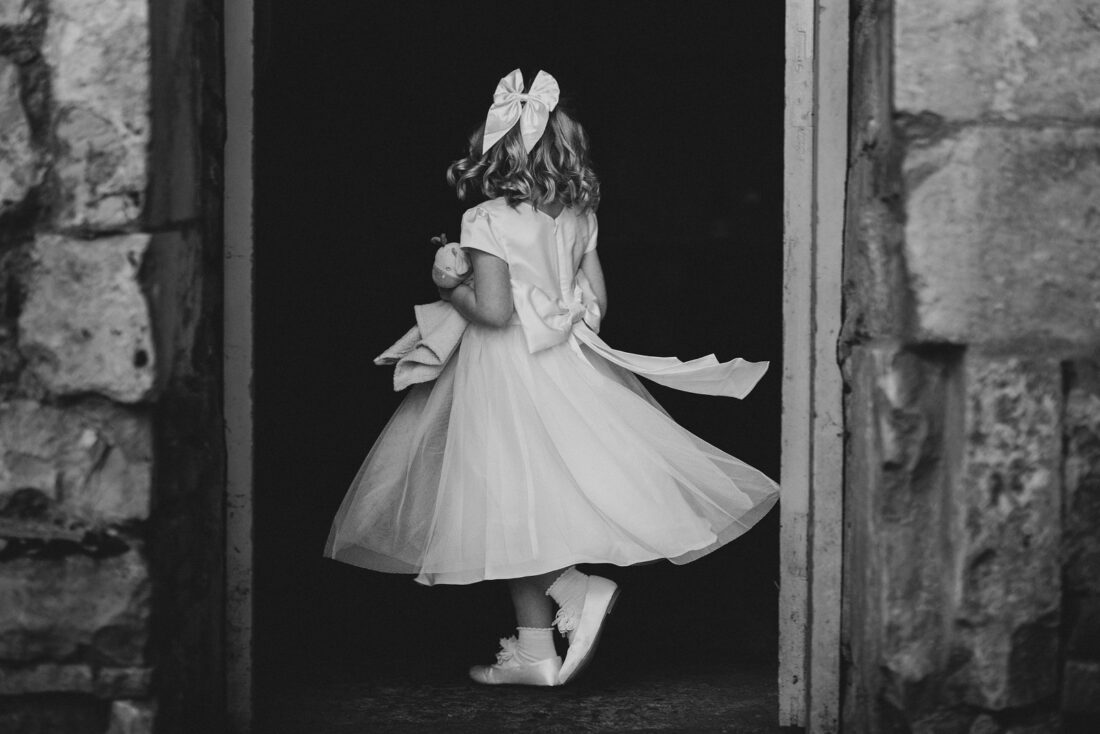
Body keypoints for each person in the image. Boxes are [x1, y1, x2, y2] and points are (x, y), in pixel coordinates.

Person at [323, 69, 780, 687]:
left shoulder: (485, 219)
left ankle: (574, 589)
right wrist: (560, 307)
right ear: (566, 148)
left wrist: (447, 287)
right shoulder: (581, 213)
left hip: (504, 370)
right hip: (567, 363)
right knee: (531, 501)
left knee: (502, 499)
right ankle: (536, 651)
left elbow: (492, 311)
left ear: (498, 146)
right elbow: (595, 302)